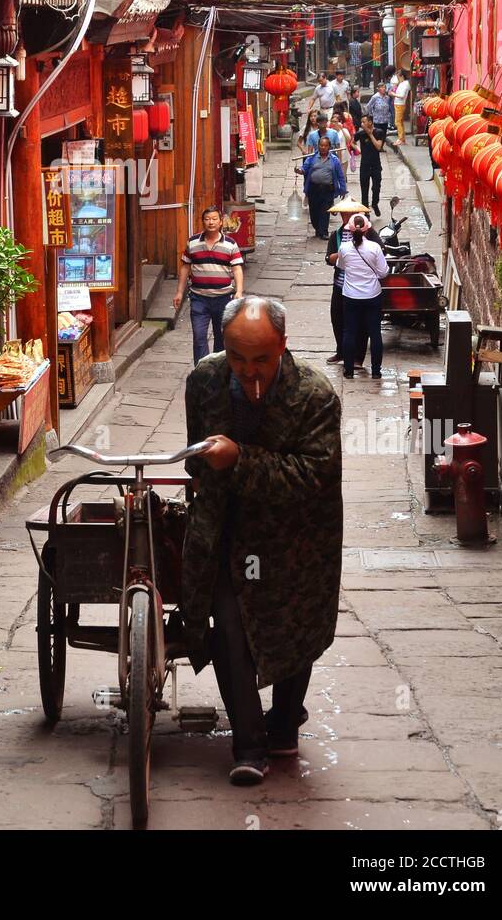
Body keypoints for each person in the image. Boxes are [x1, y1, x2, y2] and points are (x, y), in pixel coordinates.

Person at [182, 295, 343, 784]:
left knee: (296, 631)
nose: (248, 372)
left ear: (283, 347)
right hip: (228, 533)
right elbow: (195, 460)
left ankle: (284, 722)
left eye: (261, 360)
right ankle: (248, 745)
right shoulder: (204, 382)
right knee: (229, 626)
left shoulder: (315, 396)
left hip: (297, 538)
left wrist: (240, 461)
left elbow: (314, 474)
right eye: (237, 358)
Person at [174, 208, 244, 366]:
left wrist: (239, 291)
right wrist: (179, 292)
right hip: (199, 298)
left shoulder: (230, 244)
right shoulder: (193, 242)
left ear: (220, 222)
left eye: (214, 219)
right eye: (207, 219)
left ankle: (218, 370)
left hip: (224, 298)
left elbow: (237, 268)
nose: (211, 222)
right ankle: (202, 372)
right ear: (203, 221)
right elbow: (185, 266)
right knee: (199, 337)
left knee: (222, 337)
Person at [325, 199, 382, 366]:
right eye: (343, 214)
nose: (346, 217)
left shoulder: (368, 232)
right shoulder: (336, 235)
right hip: (341, 285)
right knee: (337, 318)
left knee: (361, 324)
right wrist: (339, 255)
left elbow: (380, 250)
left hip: (361, 287)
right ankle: (341, 352)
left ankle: (358, 357)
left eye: (349, 214)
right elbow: (329, 258)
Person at [338, 214, 390, 379]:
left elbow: (341, 266)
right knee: (375, 332)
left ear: (350, 230)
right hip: (372, 295)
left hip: (351, 295)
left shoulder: (344, 248)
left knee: (349, 332)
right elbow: (383, 273)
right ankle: (376, 371)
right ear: (367, 228)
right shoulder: (374, 248)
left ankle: (348, 370)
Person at [299, 137, 347, 239]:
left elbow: (340, 175)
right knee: (314, 211)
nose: (323, 147)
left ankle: (324, 232)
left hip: (327, 189)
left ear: (329, 147)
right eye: (321, 145)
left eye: (325, 146)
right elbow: (305, 168)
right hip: (314, 188)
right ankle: (318, 229)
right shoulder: (312, 158)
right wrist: (299, 170)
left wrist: (343, 189)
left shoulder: (334, 160)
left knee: (325, 211)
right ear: (318, 146)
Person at [357, 114, 385, 217]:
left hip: (376, 165)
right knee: (364, 188)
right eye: (361, 122)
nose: (362, 124)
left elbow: (378, 146)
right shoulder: (360, 134)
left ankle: (375, 203)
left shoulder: (379, 132)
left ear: (370, 122)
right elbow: (351, 141)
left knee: (376, 187)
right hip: (364, 165)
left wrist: (370, 134)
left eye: (364, 122)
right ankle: (365, 210)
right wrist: (357, 149)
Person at [393, 69, 411, 145]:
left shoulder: (405, 84)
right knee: (400, 122)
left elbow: (402, 96)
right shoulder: (402, 83)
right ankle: (402, 138)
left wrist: (393, 94)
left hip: (400, 104)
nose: (398, 78)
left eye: (398, 77)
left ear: (402, 76)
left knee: (397, 122)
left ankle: (400, 138)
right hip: (398, 104)